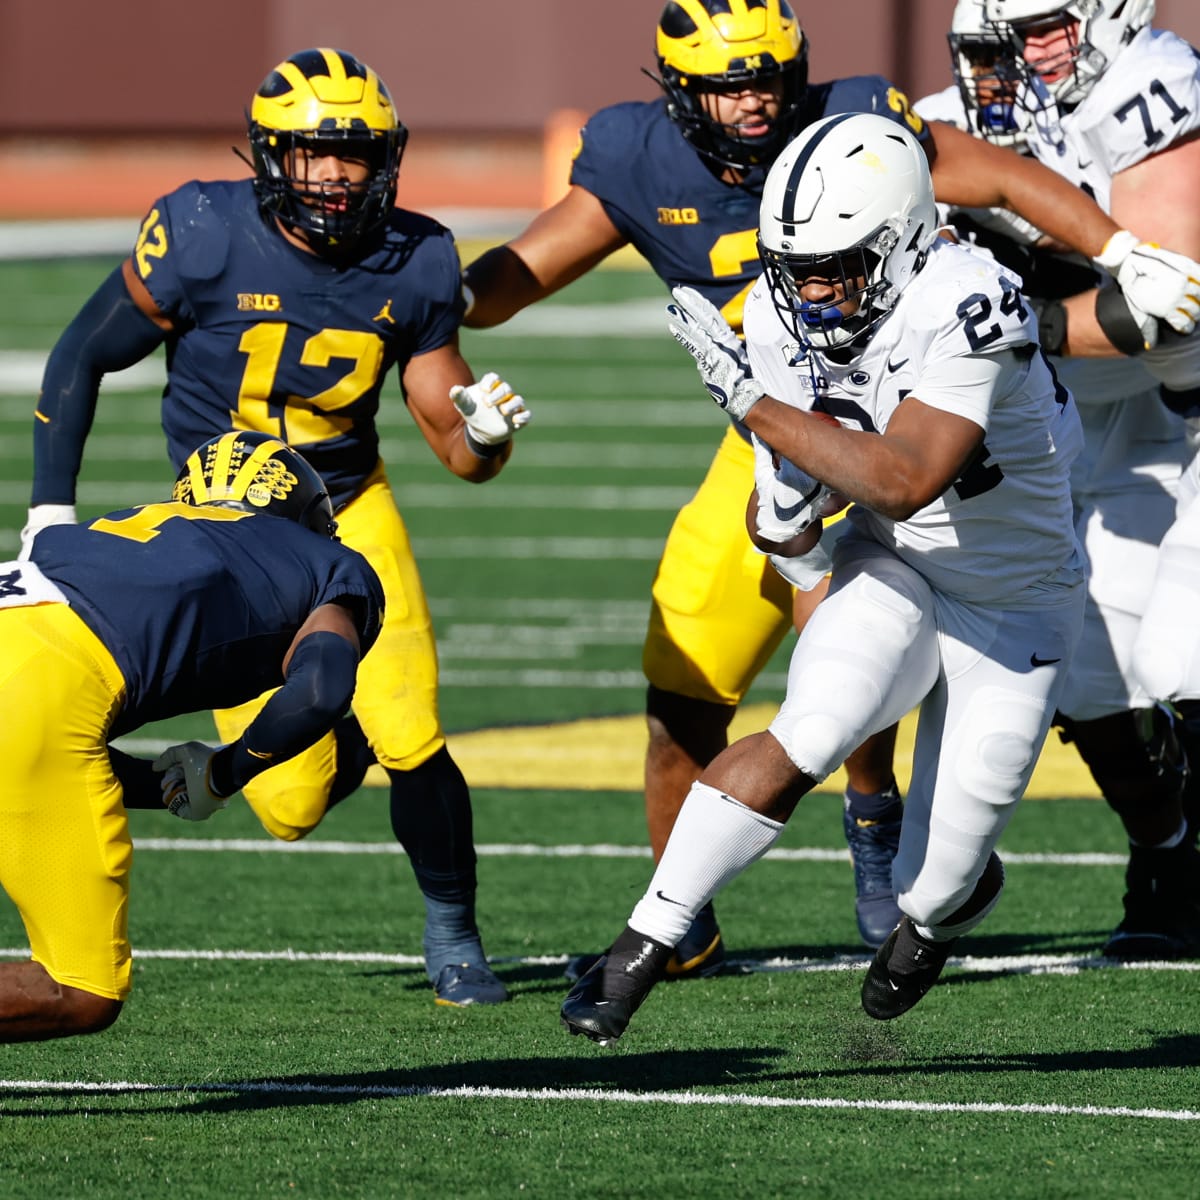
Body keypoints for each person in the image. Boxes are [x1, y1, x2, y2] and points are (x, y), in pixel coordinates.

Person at [462, 0, 1200, 969]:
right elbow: (519, 270)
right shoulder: (639, 159)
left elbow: (1006, 190)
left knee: (913, 647)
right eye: (727, 86)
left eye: (767, 76)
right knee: (688, 666)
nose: (754, 103)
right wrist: (413, 303)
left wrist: (1111, 253)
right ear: (680, 94)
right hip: (783, 431)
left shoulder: (859, 123)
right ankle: (681, 929)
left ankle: (881, 825)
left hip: (924, 419)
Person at [559, 111, 1090, 1044]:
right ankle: (640, 945)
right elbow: (800, 512)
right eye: (792, 264)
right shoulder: (775, 314)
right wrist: (789, 526)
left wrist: (755, 406)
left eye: (833, 264)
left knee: (939, 878)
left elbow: (905, 474)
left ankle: (939, 908)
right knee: (815, 724)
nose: (807, 289)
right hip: (893, 560)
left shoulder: (970, 300)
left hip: (1018, 600)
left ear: (904, 241)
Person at [17, 48, 533, 1007]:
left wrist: (487, 437)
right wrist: (50, 513)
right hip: (218, 519)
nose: (336, 174)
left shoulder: (418, 257)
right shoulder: (202, 231)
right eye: (312, 153)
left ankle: (455, 933)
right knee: (289, 806)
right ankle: (347, 731)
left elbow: (458, 453)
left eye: (356, 153)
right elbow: (83, 356)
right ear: (270, 156)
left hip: (344, 506)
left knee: (412, 726)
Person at [934, 0, 1200, 959]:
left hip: (1182, 404)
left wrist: (1010, 317)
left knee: (1182, 658)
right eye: (996, 40)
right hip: (1084, 417)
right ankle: (1168, 863)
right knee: (1087, 678)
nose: (1020, 53)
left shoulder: (1153, 82)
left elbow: (1165, 303)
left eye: (1045, 26)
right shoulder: (963, 115)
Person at [0, 430, 385, 1042]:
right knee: (81, 990)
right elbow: (319, 691)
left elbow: (62, 754)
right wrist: (226, 772)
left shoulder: (126, 527)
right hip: (45, 688)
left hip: (27, 646)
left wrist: (170, 784)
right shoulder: (326, 563)